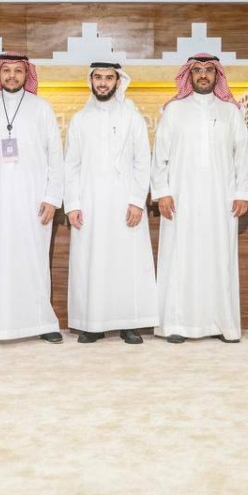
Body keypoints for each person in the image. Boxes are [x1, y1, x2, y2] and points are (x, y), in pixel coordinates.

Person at [151, 54, 248, 343]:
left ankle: (223, 325)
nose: (203, 75)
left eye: (209, 70)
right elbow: (160, 155)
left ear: (217, 75)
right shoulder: (174, 110)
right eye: (197, 70)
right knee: (180, 259)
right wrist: (162, 192)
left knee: (219, 259)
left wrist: (241, 192)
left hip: (221, 201)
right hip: (180, 200)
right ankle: (177, 325)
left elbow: (242, 156)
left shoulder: (230, 112)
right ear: (190, 75)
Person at [0, 52, 64, 343]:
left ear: (26, 74)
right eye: (6, 70)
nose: (11, 75)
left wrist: (52, 197)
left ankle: (41, 322)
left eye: (18, 70)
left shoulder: (41, 107)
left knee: (34, 260)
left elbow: (55, 155)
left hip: (34, 199)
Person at [64, 62, 158, 344]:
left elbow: (142, 161)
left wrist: (137, 201)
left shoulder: (133, 117)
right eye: (98, 77)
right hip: (90, 203)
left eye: (108, 77)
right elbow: (71, 165)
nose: (103, 83)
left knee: (126, 262)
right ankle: (92, 324)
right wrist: (72, 204)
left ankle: (129, 324)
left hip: (124, 203)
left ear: (118, 81)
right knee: (91, 263)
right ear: (91, 80)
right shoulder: (79, 120)